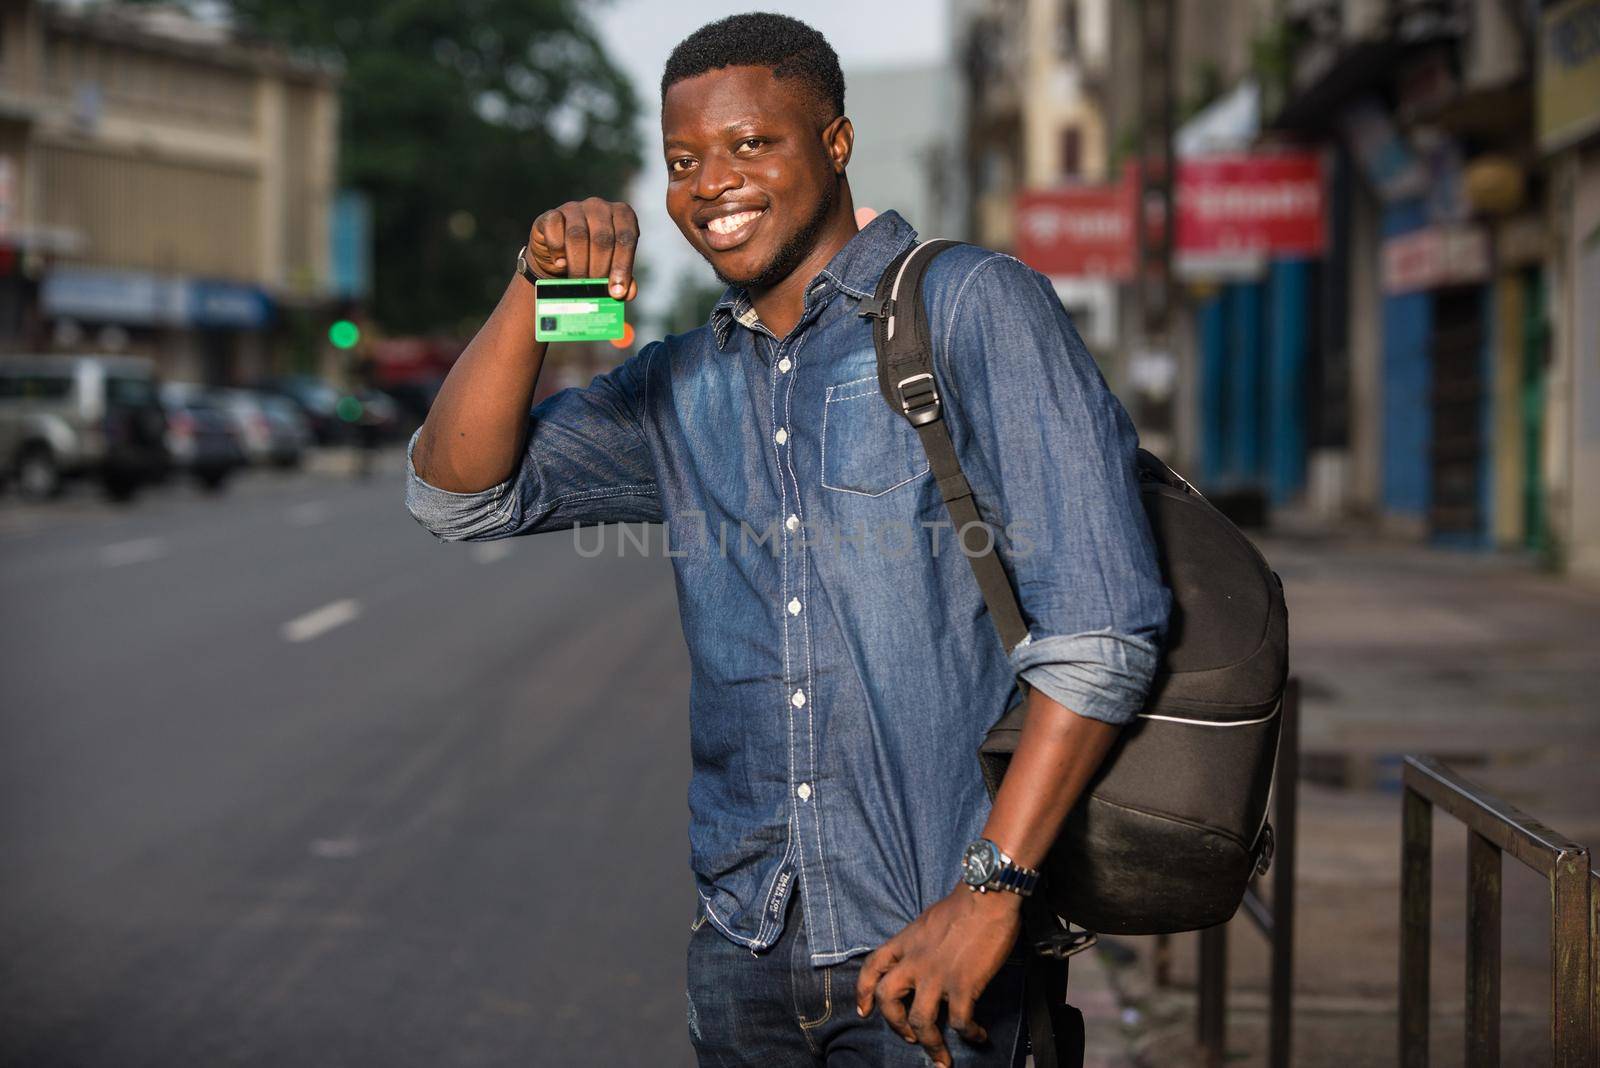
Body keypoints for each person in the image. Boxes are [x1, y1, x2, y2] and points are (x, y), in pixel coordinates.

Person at [404, 13, 1170, 1067]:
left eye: (751, 144)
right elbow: (458, 495)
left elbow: (1100, 629)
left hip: (934, 943)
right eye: (683, 161)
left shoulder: (971, 308)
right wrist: (540, 287)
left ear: (837, 143)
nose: (710, 182)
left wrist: (989, 897)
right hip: (744, 952)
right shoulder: (681, 382)